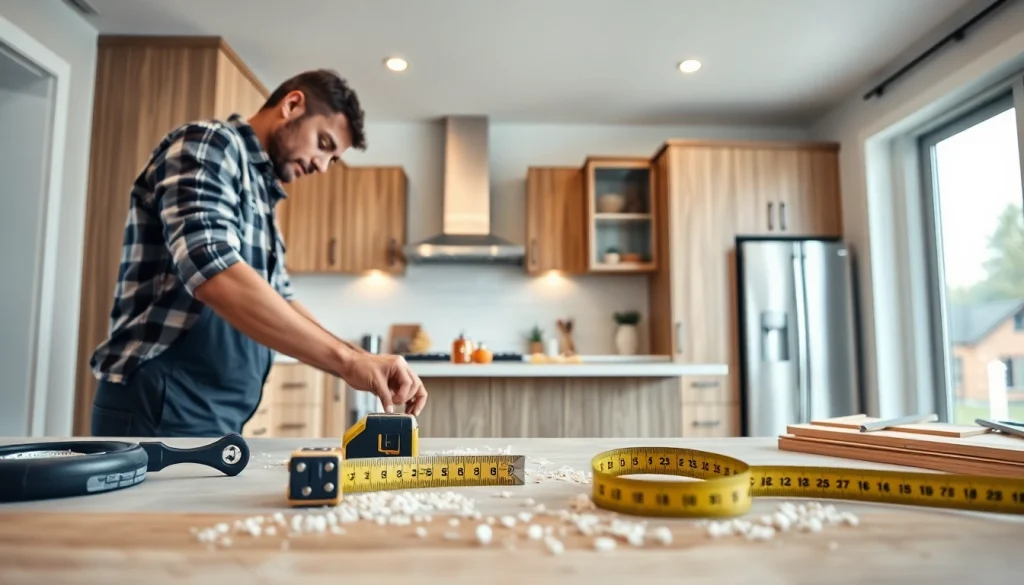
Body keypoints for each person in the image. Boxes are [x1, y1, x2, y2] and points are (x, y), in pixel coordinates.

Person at [88, 69, 427, 438]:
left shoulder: (263, 196)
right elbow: (215, 273)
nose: (322, 166)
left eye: (333, 159)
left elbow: (282, 300)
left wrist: (360, 358)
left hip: (214, 411)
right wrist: (346, 361)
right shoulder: (208, 145)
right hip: (162, 403)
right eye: (324, 144)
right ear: (292, 105)